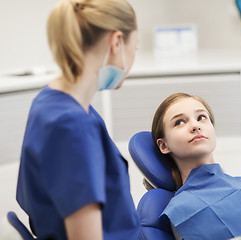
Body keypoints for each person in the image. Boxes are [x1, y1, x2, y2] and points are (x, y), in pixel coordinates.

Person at [16, 0, 140, 239]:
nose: (134, 57)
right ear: (116, 43)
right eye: (136, 46)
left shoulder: (50, 101)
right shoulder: (71, 127)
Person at [151, 93, 241, 240]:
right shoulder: (181, 211)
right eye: (179, 122)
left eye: (201, 118)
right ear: (164, 145)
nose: (195, 126)